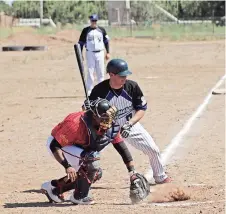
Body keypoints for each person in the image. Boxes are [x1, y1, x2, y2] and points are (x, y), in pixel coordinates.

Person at [84, 59, 171, 184]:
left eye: (126, 75)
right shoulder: (99, 90)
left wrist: (129, 124)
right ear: (111, 74)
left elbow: (141, 109)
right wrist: (86, 106)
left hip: (129, 124)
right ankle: (82, 180)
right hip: (106, 128)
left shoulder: (132, 87)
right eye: (121, 76)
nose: (125, 78)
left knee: (153, 149)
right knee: (87, 154)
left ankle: (160, 176)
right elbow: (87, 112)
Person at [41, 98, 141, 205]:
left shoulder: (110, 127)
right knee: (92, 160)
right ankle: (79, 196)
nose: (108, 121)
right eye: (104, 118)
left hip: (75, 147)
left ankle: (55, 189)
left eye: (110, 117)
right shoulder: (75, 123)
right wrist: (67, 166)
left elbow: (122, 149)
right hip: (59, 145)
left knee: (95, 172)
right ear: (94, 116)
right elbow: (54, 145)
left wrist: (132, 173)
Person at [78, 14, 110, 95]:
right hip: (90, 53)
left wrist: (108, 52)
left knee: (100, 72)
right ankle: (89, 90)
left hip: (100, 52)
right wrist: (80, 54)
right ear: (90, 21)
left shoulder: (101, 30)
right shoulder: (85, 30)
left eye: (95, 21)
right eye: (92, 21)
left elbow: (106, 41)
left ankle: (102, 90)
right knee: (90, 71)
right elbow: (81, 43)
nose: (94, 22)